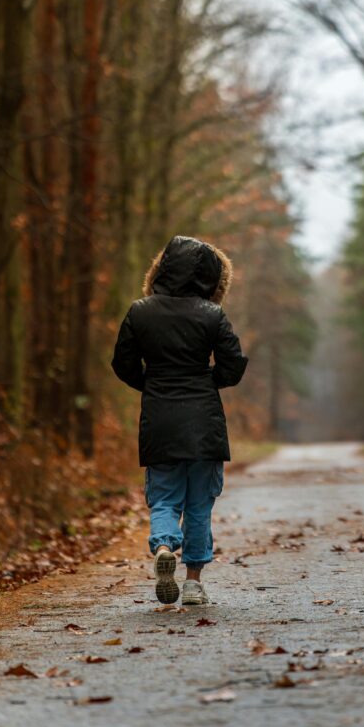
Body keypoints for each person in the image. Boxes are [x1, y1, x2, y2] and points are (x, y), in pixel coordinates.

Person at [111, 235, 248, 605]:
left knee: (165, 499)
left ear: (163, 268)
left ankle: (164, 547)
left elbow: (122, 364)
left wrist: (152, 385)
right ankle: (192, 584)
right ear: (210, 278)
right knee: (200, 504)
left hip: (159, 420)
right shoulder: (212, 314)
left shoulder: (139, 312)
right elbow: (233, 367)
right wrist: (207, 382)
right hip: (204, 422)